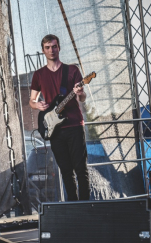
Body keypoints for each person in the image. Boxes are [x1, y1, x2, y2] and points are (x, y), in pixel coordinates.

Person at [29, 34, 90, 201]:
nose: (51, 50)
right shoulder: (39, 75)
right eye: (48, 47)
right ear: (43, 50)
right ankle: (73, 206)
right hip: (54, 129)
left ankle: (85, 207)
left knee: (81, 169)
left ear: (59, 48)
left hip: (74, 125)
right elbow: (32, 101)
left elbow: (82, 98)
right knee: (65, 170)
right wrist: (37, 105)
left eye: (54, 46)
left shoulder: (72, 70)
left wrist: (81, 92)